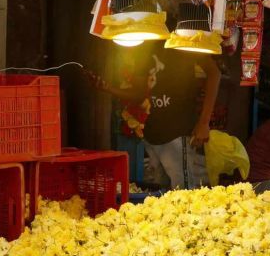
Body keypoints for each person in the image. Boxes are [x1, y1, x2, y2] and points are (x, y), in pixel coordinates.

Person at [91, 41, 220, 189]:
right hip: (152, 137)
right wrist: (107, 88)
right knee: (160, 197)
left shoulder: (182, 40)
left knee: (184, 194)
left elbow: (214, 72)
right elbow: (139, 94)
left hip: (177, 135)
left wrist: (204, 122)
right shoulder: (142, 46)